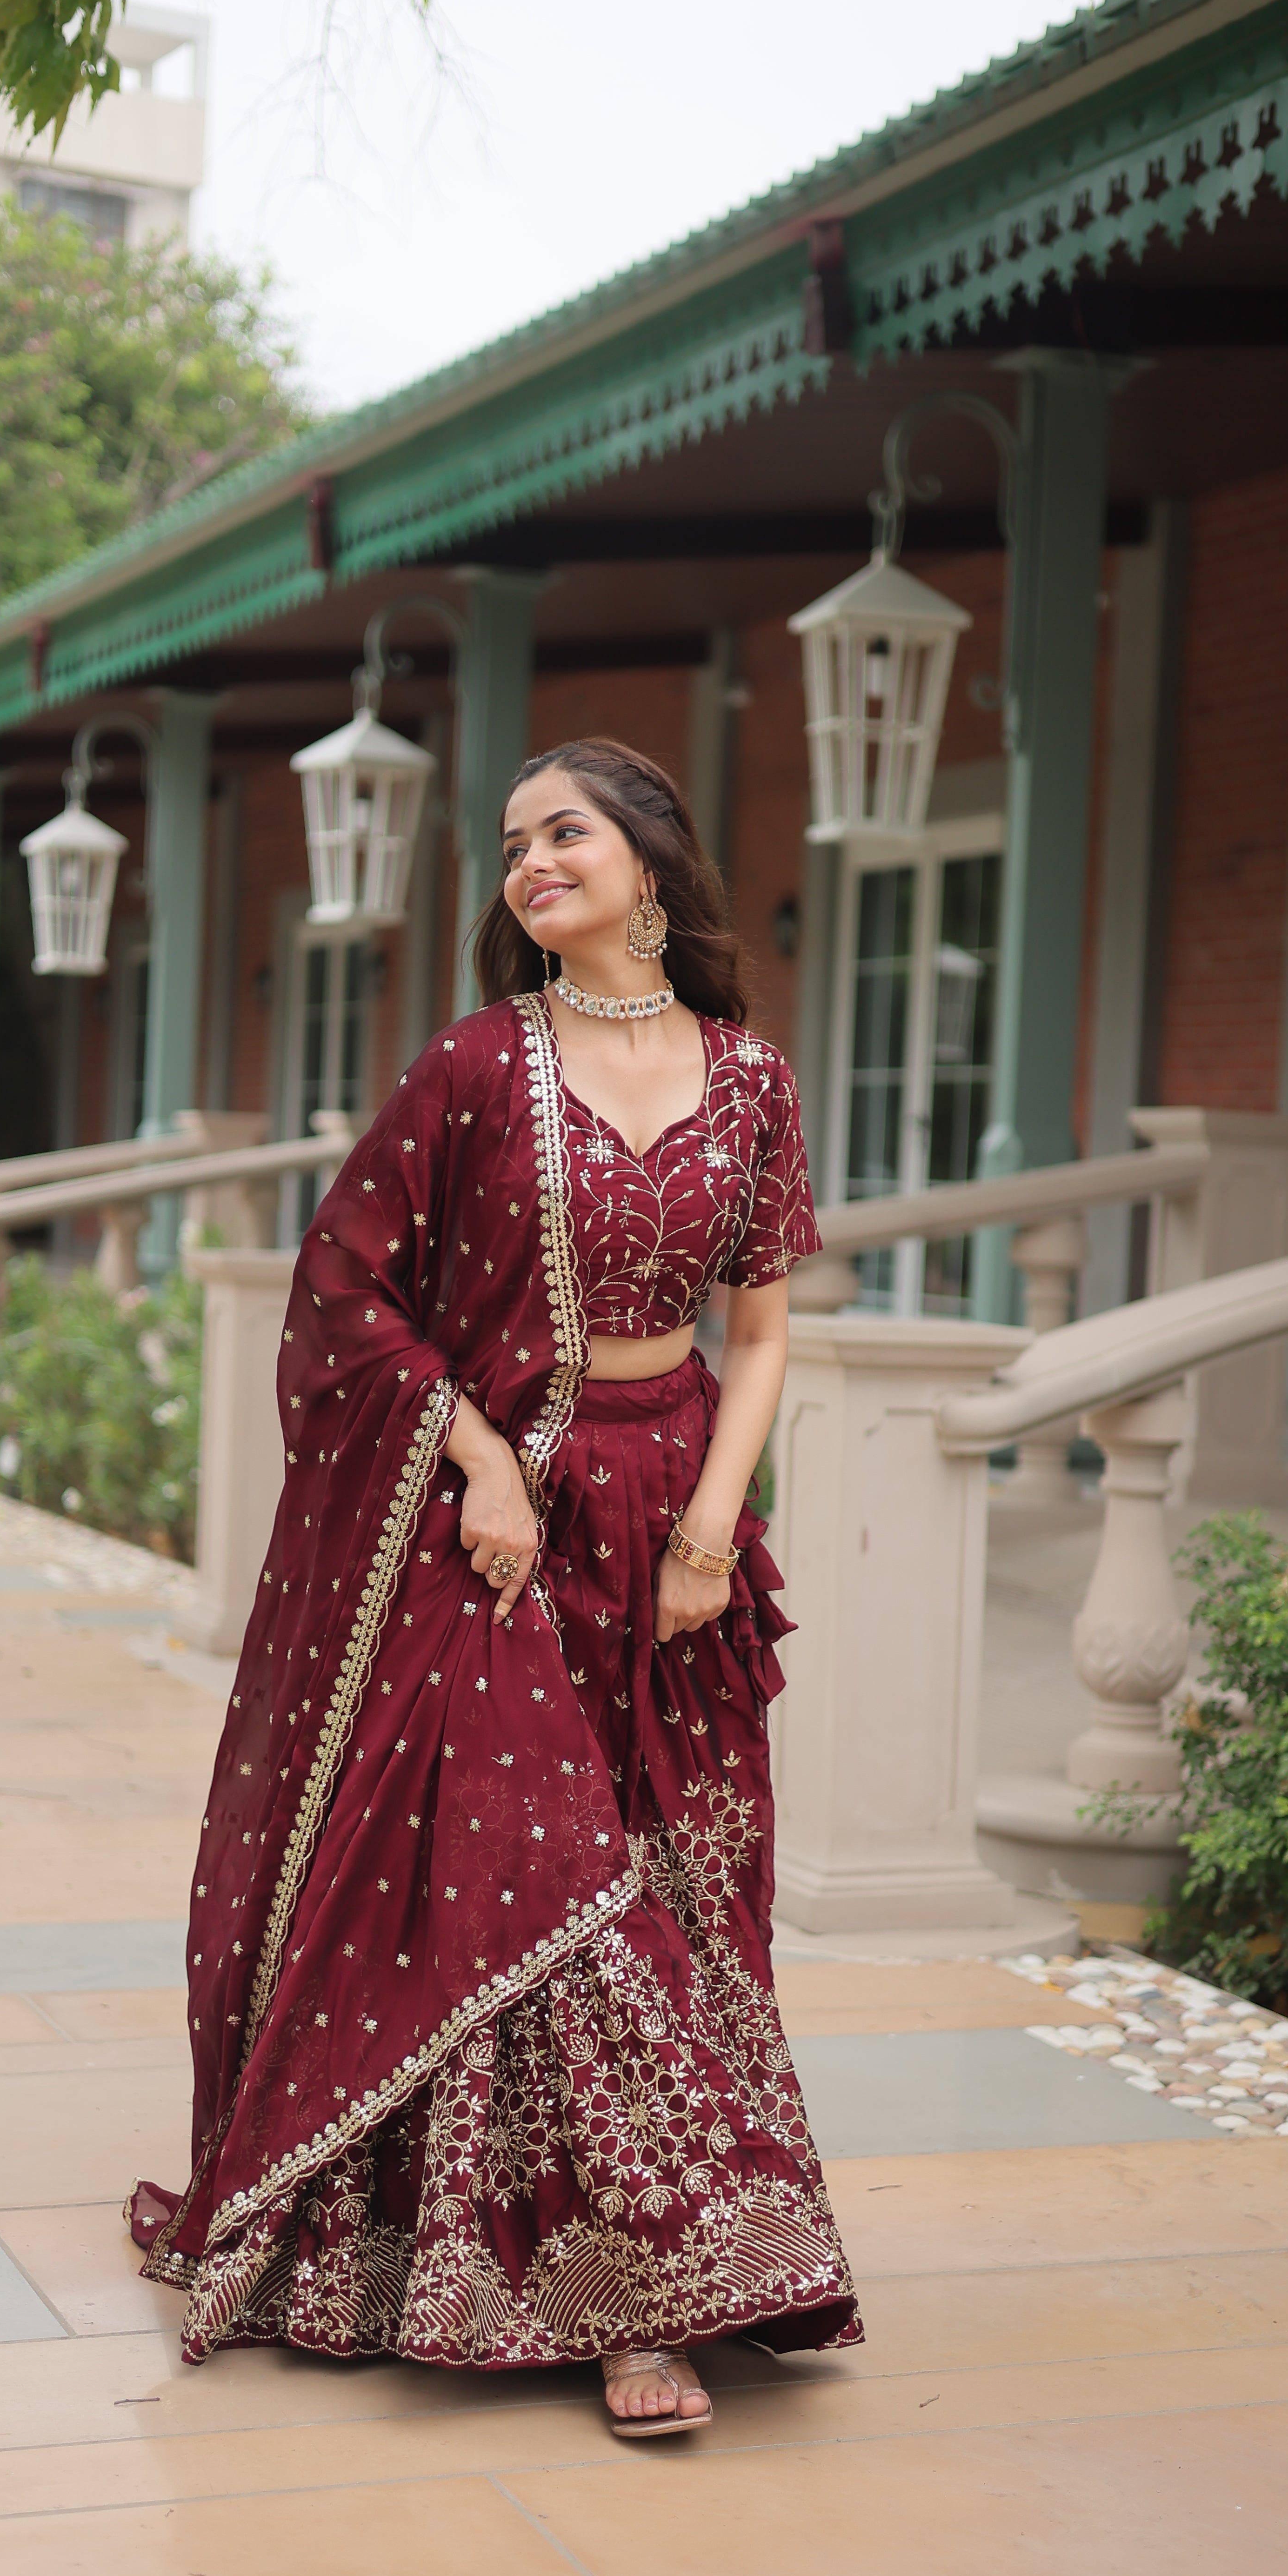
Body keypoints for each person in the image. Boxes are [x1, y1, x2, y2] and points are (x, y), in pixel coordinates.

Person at [131, 736, 861, 2438]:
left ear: (652, 864)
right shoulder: (474, 1066)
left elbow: (760, 1337)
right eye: (517, 842)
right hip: (501, 1527)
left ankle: (599, 2253)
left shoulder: (750, 1079)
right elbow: (343, 1291)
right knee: (551, 1891)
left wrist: (711, 1531)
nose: (532, 861)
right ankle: (636, 2309)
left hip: (673, 1514)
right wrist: (473, 1464)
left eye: (568, 832)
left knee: (673, 1887)